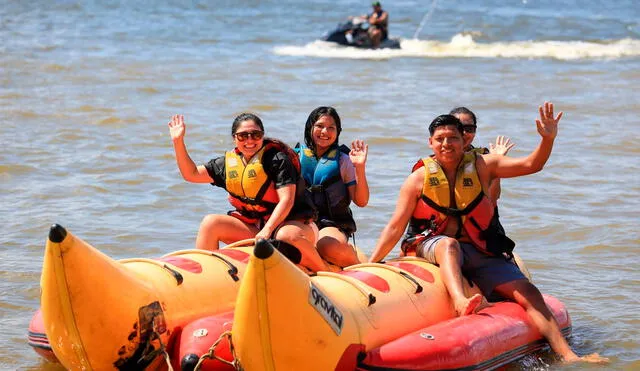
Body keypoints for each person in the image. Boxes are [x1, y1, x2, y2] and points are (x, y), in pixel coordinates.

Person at [368, 103, 608, 364]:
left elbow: (532, 164)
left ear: (464, 141)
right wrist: (371, 263)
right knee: (449, 245)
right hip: (432, 245)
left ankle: (568, 355)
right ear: (430, 143)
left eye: (453, 138)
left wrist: (547, 140)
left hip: (478, 248)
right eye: (440, 139)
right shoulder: (418, 178)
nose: (447, 144)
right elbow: (395, 226)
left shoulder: (483, 165)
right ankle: (460, 301)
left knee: (529, 293)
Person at [168, 113, 329, 272]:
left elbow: (286, 200)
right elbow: (192, 174)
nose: (250, 140)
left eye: (255, 134)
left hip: (296, 228)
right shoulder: (227, 164)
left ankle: (325, 271)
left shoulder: (277, 159)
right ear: (234, 138)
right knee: (211, 223)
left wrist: (268, 230)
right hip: (257, 230)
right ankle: (209, 275)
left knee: (285, 235)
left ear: (262, 136)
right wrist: (178, 142)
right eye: (243, 136)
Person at [296, 107, 369, 267]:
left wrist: (360, 168)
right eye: (320, 126)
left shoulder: (344, 161)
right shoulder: (295, 157)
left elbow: (361, 201)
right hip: (302, 221)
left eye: (331, 128)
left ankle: (357, 267)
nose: (325, 131)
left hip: (331, 224)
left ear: (338, 132)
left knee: (327, 246)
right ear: (310, 128)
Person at [450, 107, 515, 203]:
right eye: (458, 128)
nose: (463, 133)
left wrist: (496, 163)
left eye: (469, 129)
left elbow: (492, 198)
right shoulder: (437, 160)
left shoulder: (484, 158)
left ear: (475, 132)